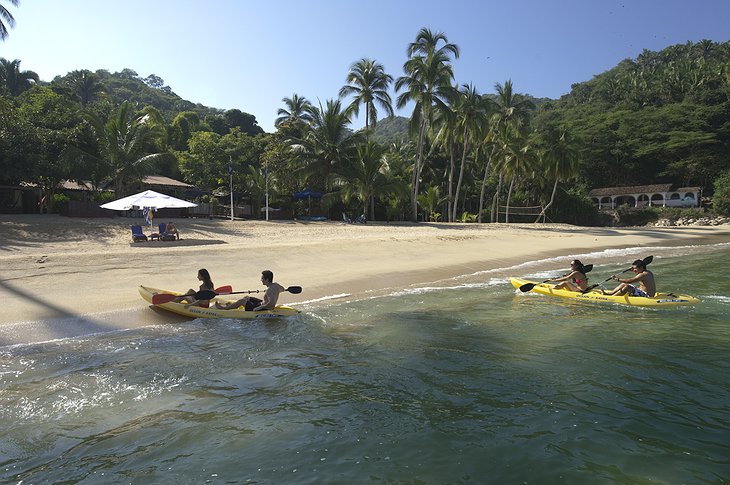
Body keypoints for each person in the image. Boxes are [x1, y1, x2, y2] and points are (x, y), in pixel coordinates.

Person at [215, 270, 285, 311]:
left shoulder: (270, 289)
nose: (261, 280)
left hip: (263, 308)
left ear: (267, 279)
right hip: (262, 303)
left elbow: (271, 304)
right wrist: (275, 291)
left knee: (242, 301)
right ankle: (233, 305)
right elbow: (283, 289)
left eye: (262, 278)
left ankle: (224, 309)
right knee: (247, 297)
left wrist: (258, 308)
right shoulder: (276, 285)